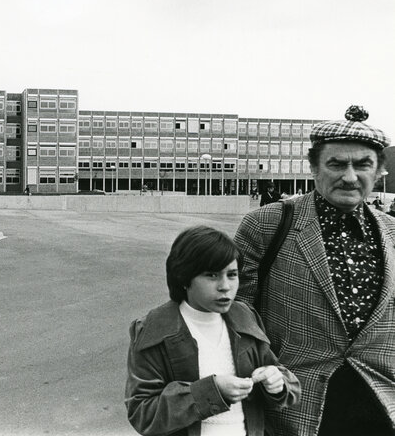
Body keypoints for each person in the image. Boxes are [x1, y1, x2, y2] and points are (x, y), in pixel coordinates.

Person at [234, 105, 395, 435]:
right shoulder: (267, 225)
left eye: (363, 164)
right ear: (313, 167)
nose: (350, 177)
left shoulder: (393, 232)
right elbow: (237, 316)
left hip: (381, 404)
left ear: (379, 170)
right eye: (336, 163)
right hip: (297, 407)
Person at [125, 226, 300, 436]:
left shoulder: (244, 316)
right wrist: (212, 391)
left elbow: (281, 376)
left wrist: (276, 381)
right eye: (211, 275)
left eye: (232, 274)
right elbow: (143, 414)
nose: (225, 286)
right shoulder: (155, 328)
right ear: (184, 277)